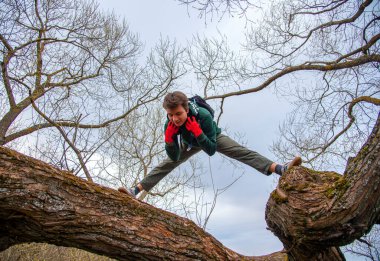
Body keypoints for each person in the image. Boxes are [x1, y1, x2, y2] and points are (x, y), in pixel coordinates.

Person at [118, 91, 301, 197]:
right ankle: (135, 190)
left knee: (239, 151)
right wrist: (169, 140)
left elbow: (211, 150)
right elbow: (173, 157)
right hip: (188, 142)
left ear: (186, 109)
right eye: (171, 115)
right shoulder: (170, 123)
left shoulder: (203, 117)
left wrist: (198, 132)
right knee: (166, 164)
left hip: (209, 137)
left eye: (178, 114)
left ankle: (279, 168)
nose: (175, 118)